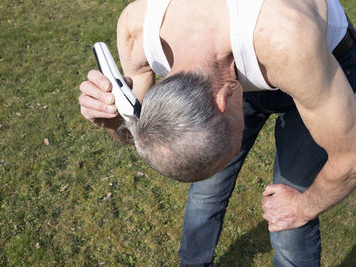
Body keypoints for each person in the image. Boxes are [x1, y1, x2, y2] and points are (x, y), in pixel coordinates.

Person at [79, 0, 356, 265]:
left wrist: (303, 207)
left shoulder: (285, 36)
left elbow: (350, 159)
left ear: (224, 99)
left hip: (320, 67)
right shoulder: (137, 29)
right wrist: (113, 122)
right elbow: (133, 128)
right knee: (206, 193)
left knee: (289, 220)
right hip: (242, 66)